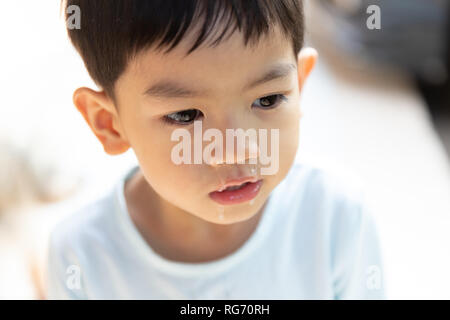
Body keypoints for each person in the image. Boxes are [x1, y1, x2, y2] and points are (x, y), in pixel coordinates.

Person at [46, 0, 386, 299]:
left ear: (298, 85)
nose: (236, 151)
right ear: (108, 123)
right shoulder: (82, 258)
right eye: (185, 116)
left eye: (267, 99)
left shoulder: (336, 218)